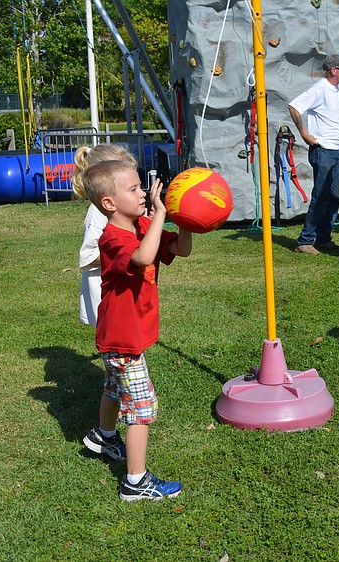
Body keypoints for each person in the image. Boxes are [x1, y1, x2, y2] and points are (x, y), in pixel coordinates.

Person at [80, 159, 193, 500]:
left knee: (114, 389)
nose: (143, 192)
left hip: (123, 335)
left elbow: (181, 250)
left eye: (140, 185)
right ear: (109, 204)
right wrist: (160, 215)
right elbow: (143, 257)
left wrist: (184, 219)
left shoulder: (144, 224)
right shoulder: (113, 237)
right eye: (133, 189)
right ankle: (136, 481)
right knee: (142, 410)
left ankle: (103, 436)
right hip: (122, 338)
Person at [288, 54, 339, 255]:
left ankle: (324, 238)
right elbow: (294, 106)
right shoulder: (320, 88)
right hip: (323, 150)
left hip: (335, 150)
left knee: (333, 196)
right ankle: (305, 240)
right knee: (320, 195)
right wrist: (304, 134)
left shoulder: (333, 90)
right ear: (333, 70)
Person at [73, 144, 138, 327]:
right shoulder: (98, 213)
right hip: (106, 293)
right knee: (118, 345)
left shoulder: (121, 209)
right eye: (131, 187)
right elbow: (87, 257)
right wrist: (124, 254)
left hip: (125, 287)